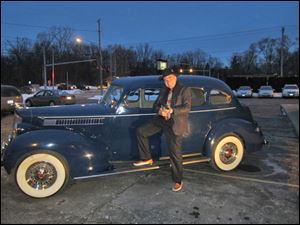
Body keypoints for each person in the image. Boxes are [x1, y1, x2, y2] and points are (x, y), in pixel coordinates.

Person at [133, 69, 192, 192]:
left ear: (175, 77)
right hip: (161, 119)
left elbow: (187, 107)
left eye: (169, 78)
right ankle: (147, 158)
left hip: (175, 122)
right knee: (141, 131)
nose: (167, 81)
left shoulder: (184, 90)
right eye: (165, 80)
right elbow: (156, 105)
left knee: (175, 153)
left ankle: (178, 180)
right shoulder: (164, 90)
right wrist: (160, 110)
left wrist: (171, 111)